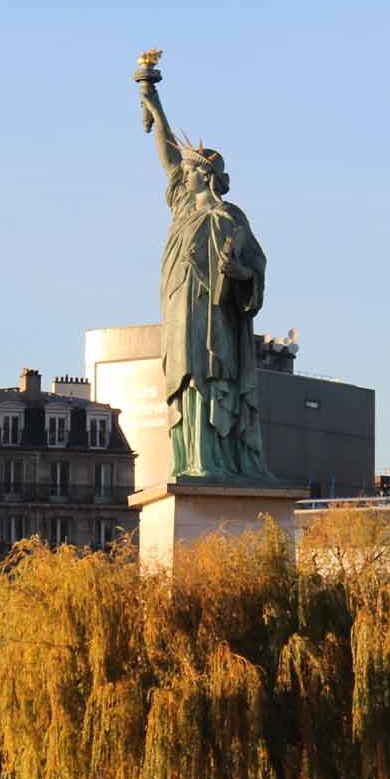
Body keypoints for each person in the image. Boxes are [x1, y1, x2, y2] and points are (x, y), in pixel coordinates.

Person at [136, 54, 276, 482]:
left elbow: (256, 266)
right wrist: (153, 102)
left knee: (208, 377)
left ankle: (215, 459)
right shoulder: (182, 206)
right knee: (184, 379)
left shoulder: (229, 217)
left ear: (208, 176)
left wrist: (239, 275)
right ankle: (192, 458)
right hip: (180, 307)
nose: (184, 174)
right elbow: (166, 154)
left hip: (214, 314)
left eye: (193, 170)